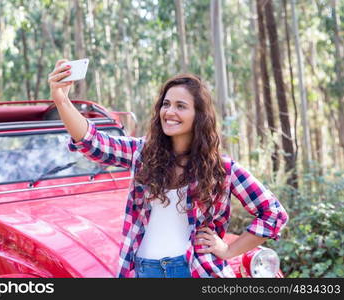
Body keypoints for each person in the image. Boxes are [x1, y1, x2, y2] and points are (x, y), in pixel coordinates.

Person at [47, 59, 289, 278]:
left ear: (199, 116)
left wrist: (227, 250)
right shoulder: (142, 154)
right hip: (144, 271)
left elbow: (273, 213)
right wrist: (62, 99)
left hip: (193, 271)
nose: (170, 112)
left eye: (181, 106)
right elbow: (92, 141)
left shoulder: (221, 168)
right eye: (166, 104)